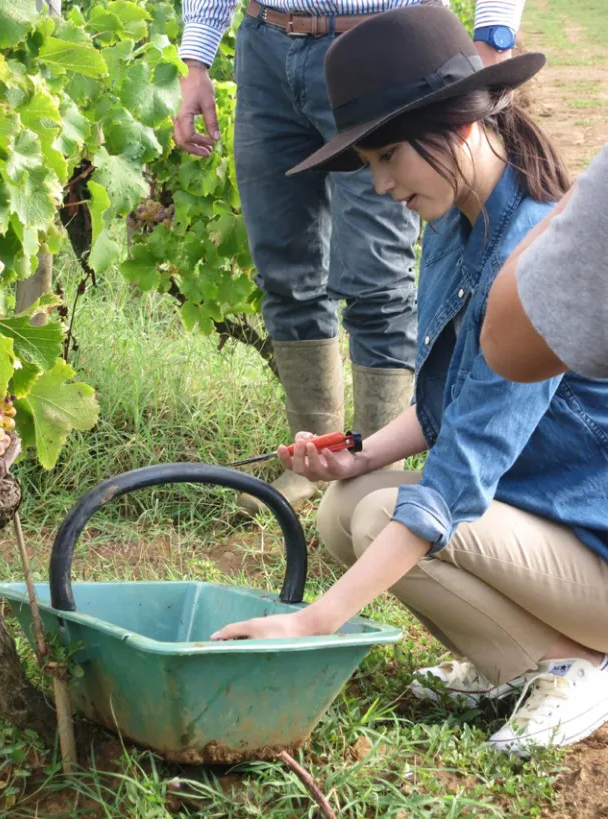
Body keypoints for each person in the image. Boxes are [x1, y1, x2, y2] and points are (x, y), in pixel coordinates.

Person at [210, 6, 608, 754]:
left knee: (381, 516)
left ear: (457, 125)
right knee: (344, 503)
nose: (381, 182)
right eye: (369, 164)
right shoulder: (459, 220)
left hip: (593, 539)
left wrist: (314, 619)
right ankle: (515, 659)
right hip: (547, 520)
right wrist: (360, 451)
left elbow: (456, 479)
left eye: (387, 155)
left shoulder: (524, 262)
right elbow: (451, 399)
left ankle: (576, 664)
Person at [175, 0, 528, 513]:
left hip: (383, 51)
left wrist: (494, 33)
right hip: (266, 43)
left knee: (377, 283)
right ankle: (314, 461)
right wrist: (197, 59)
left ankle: (376, 474)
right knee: (283, 271)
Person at [481, 142, 608, 382]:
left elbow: (507, 344)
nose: (385, 185)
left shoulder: (523, 223)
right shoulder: (448, 227)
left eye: (391, 155)